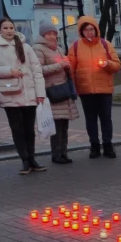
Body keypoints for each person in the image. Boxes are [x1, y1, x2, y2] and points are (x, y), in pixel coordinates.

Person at [0, 18, 46, 174]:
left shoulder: (26, 47)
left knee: (29, 129)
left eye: (11, 27)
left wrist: (40, 94)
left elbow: (37, 70)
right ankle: (24, 160)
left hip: (29, 94)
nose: (9, 30)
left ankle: (32, 158)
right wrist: (9, 71)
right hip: (9, 94)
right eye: (5, 28)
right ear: (0, 30)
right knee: (17, 129)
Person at [69, 15, 120, 159]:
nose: (89, 32)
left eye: (91, 29)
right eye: (86, 30)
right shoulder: (75, 46)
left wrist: (107, 64)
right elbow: (71, 70)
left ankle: (108, 145)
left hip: (104, 90)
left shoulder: (105, 44)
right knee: (90, 120)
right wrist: (74, 88)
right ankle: (94, 146)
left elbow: (116, 65)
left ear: (96, 29)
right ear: (81, 31)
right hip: (86, 91)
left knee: (106, 119)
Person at [33, 20, 79, 164]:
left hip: (64, 90)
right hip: (52, 91)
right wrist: (59, 65)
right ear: (43, 35)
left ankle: (64, 153)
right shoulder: (38, 49)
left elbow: (66, 67)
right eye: (49, 34)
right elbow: (37, 69)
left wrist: (67, 67)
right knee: (57, 125)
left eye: (54, 33)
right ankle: (56, 154)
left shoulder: (58, 49)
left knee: (64, 124)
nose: (52, 36)